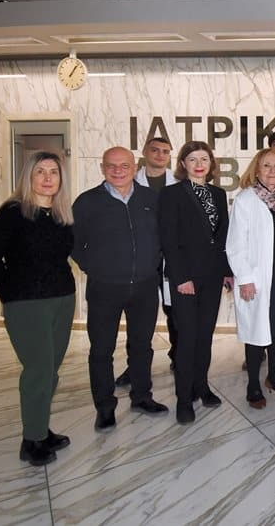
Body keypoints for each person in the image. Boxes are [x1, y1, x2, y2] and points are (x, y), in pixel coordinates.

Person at [0, 152, 76, 466]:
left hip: (62, 299)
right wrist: (9, 295)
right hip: (26, 304)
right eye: (40, 172)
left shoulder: (61, 214)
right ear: (28, 177)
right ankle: (31, 441)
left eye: (54, 172)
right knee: (38, 371)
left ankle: (40, 428)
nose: (48, 178)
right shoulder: (12, 213)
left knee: (50, 371)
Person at [73, 147, 168, 431]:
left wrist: (153, 263)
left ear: (134, 167)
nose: (118, 171)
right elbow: (74, 243)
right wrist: (95, 267)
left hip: (145, 286)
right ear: (102, 168)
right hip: (104, 288)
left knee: (142, 346)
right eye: (111, 166)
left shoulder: (151, 199)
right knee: (101, 350)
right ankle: (105, 407)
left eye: (124, 165)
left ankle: (142, 397)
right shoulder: (87, 202)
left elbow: (164, 237)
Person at [159, 141, 232, 425]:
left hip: (212, 276)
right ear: (183, 164)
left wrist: (226, 271)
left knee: (205, 336)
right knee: (187, 338)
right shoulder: (172, 194)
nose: (199, 164)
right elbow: (168, 239)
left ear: (211, 163)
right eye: (192, 159)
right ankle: (183, 398)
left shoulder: (218, 193)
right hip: (186, 279)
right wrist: (181, 277)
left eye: (204, 159)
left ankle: (201, 386)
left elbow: (222, 237)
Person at [225, 148, 275, 409]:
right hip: (257, 276)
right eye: (266, 165)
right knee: (256, 331)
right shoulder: (246, 199)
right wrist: (245, 278)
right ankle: (253, 385)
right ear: (257, 169)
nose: (271, 171)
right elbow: (235, 244)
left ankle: (274, 377)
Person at [114, 137, 179, 387]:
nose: (160, 155)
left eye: (165, 151)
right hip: (142, 259)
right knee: (139, 318)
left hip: (171, 258)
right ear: (144, 152)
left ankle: (178, 357)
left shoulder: (178, 183)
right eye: (155, 150)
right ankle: (136, 368)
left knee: (176, 312)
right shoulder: (129, 183)